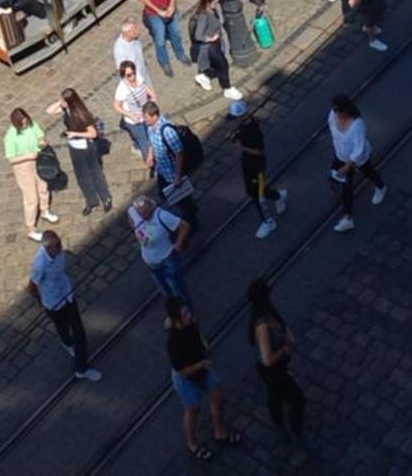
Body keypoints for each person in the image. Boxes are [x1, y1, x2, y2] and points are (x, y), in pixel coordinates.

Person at [27, 229, 100, 382]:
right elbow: (32, 285)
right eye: (56, 245)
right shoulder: (40, 264)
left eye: (59, 242)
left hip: (67, 295)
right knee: (62, 326)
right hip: (53, 302)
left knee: (79, 332)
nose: (60, 246)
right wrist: (41, 301)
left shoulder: (59, 252)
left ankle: (81, 367)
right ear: (47, 248)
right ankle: (69, 346)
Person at [165, 299, 233, 459]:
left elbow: (198, 337)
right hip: (186, 379)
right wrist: (201, 363)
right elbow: (182, 371)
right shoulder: (173, 343)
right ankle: (192, 444)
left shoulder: (191, 325)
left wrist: (204, 346)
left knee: (218, 399)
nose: (190, 316)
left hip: (202, 369)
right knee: (193, 411)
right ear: (177, 320)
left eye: (188, 312)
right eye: (185, 315)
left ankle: (220, 433)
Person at [247, 277, 308, 448]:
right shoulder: (262, 326)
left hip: (277, 368)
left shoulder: (269, 312)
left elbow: (283, 327)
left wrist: (288, 337)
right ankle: (297, 431)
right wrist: (283, 351)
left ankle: (277, 419)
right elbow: (267, 359)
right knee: (298, 399)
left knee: (275, 393)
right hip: (272, 370)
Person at [45, 87, 113, 215]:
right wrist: (60, 102)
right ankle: (91, 201)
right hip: (74, 147)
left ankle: (106, 198)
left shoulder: (82, 115)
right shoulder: (66, 108)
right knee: (82, 177)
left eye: (63, 100)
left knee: (96, 174)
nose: (61, 102)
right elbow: (49, 111)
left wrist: (74, 133)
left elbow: (92, 134)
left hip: (87, 147)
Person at [328, 93, 386, 230]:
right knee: (345, 186)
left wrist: (348, 166)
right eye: (335, 111)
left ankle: (381, 187)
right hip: (340, 155)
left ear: (346, 111)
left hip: (357, 159)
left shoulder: (357, 125)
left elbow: (358, 148)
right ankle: (347, 217)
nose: (335, 114)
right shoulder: (332, 114)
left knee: (368, 172)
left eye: (339, 112)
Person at [128, 191, 193, 304]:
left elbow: (185, 226)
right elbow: (130, 215)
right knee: (165, 291)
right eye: (140, 214)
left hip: (167, 260)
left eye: (145, 214)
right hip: (151, 264)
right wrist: (134, 229)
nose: (143, 218)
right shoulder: (134, 212)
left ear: (151, 209)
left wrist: (177, 246)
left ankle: (188, 314)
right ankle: (174, 315)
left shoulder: (162, 216)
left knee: (178, 290)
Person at [3, 107, 57, 240]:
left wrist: (42, 141)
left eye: (26, 121)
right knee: (31, 198)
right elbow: (11, 158)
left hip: (38, 161)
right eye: (22, 123)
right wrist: (28, 156)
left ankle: (45, 211)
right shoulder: (10, 136)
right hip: (23, 167)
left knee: (43, 188)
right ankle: (30, 228)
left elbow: (41, 135)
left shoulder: (32, 124)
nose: (25, 124)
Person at [235, 109, 287, 241]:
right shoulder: (243, 125)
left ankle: (268, 222)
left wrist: (242, 147)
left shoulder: (254, 131)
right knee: (254, 191)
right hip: (247, 165)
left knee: (258, 196)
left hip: (256, 168)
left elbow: (259, 152)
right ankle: (278, 196)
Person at [135, 0, 188, 76]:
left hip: (169, 7)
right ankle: (164, 62)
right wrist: (159, 11)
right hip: (154, 12)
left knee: (176, 33)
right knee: (160, 39)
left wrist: (172, 5)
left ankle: (180, 54)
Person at [188, 0, 242, 101]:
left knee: (217, 65)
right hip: (210, 47)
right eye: (215, 1)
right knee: (223, 65)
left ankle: (204, 76)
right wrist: (210, 39)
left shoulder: (212, 10)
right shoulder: (204, 16)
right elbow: (198, 35)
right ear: (208, 2)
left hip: (216, 44)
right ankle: (227, 88)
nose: (217, 2)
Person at [142, 99, 192, 204]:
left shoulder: (167, 131)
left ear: (154, 116)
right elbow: (151, 141)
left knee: (183, 201)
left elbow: (179, 153)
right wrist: (150, 155)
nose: (144, 120)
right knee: (164, 195)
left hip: (172, 174)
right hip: (161, 170)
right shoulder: (150, 127)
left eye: (146, 117)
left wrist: (178, 176)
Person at [114, 58, 153, 158]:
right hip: (134, 121)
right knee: (145, 145)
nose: (133, 76)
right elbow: (116, 107)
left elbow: (145, 87)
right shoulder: (122, 89)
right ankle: (152, 165)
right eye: (129, 75)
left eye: (133, 72)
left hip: (145, 113)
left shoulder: (138, 76)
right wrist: (131, 115)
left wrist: (152, 96)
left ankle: (136, 145)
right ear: (123, 77)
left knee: (150, 137)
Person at [112, 18, 149, 86]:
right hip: (136, 82)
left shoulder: (134, 38)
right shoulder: (120, 50)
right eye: (135, 29)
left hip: (143, 74)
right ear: (128, 33)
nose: (138, 31)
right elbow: (123, 71)